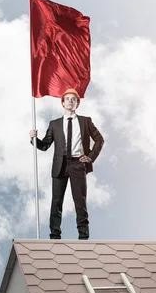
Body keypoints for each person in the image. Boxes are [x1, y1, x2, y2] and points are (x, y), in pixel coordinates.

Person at [29, 88, 104, 240]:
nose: (70, 101)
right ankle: (54, 235)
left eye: (73, 99)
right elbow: (45, 146)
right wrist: (33, 139)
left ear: (77, 103)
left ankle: (83, 235)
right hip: (60, 166)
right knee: (56, 201)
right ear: (62, 103)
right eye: (67, 99)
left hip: (78, 164)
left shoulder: (86, 121)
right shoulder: (54, 124)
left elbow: (99, 140)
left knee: (80, 201)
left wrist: (90, 157)